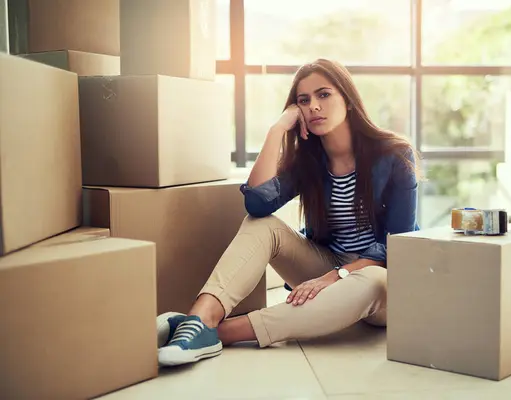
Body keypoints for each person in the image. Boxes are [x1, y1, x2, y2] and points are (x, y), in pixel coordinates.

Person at [156, 58, 422, 367]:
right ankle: (201, 318)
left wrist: (338, 276)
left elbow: (397, 243)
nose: (313, 107)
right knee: (262, 225)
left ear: (348, 100)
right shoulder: (309, 162)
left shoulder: (393, 155)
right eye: (303, 100)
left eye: (324, 95)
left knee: (373, 280)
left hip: (380, 280)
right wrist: (277, 130)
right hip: (326, 267)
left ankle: (219, 332)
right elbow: (257, 204)